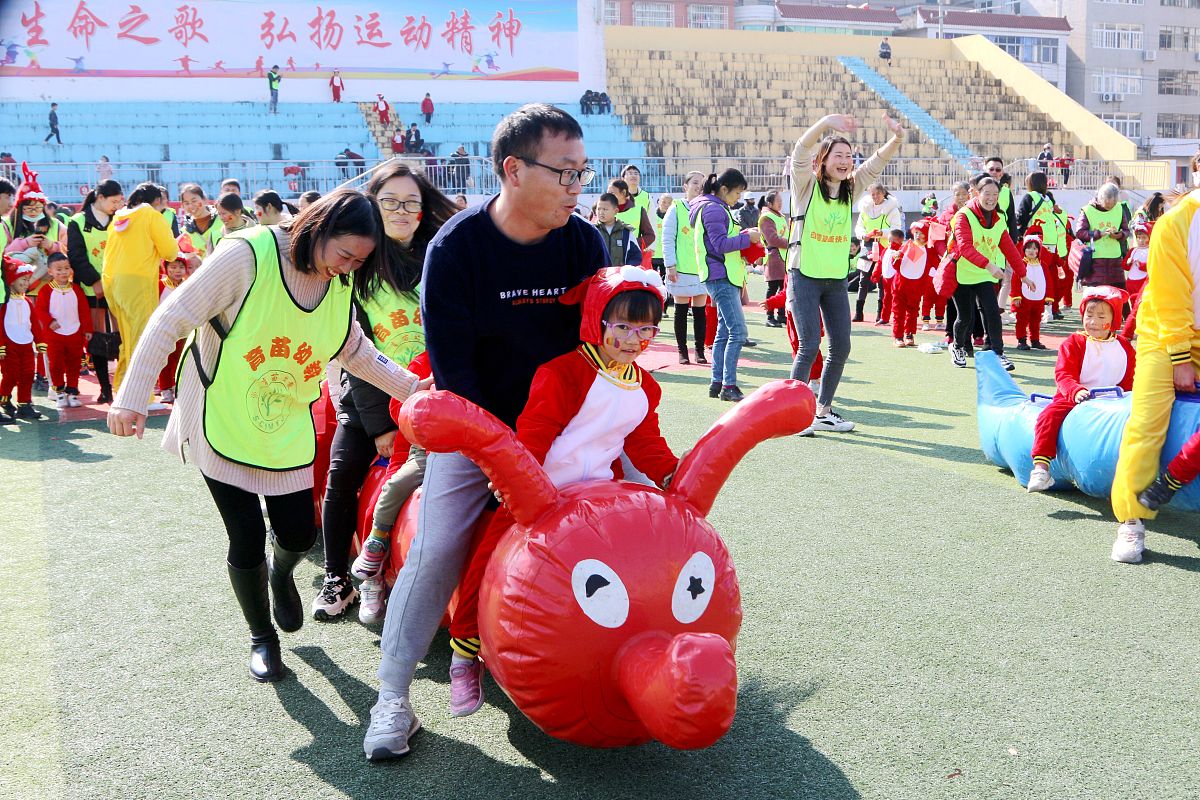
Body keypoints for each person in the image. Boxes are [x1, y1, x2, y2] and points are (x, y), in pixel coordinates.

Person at [363, 103, 607, 761]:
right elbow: (455, 374)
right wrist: (505, 461)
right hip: (477, 432)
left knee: (636, 507)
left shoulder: (583, 244)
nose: (575, 188)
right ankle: (392, 698)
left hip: (563, 430)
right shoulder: (455, 250)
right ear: (512, 170)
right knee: (438, 546)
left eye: (583, 173)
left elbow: (596, 354)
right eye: (564, 173)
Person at [107, 189, 430, 683]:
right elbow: (172, 317)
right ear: (318, 228)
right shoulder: (246, 254)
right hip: (221, 410)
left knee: (300, 532)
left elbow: (355, 351)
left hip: (283, 417)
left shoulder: (340, 282)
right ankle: (262, 638)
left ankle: (282, 575)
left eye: (359, 262)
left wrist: (414, 389)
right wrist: (132, 394)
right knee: (245, 535)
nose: (346, 268)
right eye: (344, 254)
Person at [440, 266, 679, 716]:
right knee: (485, 560)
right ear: (596, 321)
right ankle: (463, 656)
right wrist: (519, 486)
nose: (633, 339)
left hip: (600, 498)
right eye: (623, 326)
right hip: (539, 496)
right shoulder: (563, 373)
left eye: (645, 329)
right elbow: (533, 435)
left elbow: (644, 442)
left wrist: (671, 474)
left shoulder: (646, 386)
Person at [314, 163, 457, 623]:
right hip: (371, 399)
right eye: (389, 201)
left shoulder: (443, 252)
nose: (401, 211)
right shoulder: (356, 265)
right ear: (372, 204)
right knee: (341, 476)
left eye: (411, 202)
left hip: (441, 394)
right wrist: (380, 426)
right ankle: (338, 577)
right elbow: (353, 351)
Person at [787, 113, 905, 433]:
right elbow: (800, 150)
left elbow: (876, 164)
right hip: (804, 275)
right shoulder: (805, 185)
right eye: (838, 155)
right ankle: (793, 414)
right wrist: (826, 122)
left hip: (836, 281)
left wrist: (896, 138)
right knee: (810, 344)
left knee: (841, 346)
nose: (845, 161)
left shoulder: (853, 189)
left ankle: (822, 410)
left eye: (849, 156)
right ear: (823, 160)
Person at [1109, 154, 1200, 563]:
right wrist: (1182, 358)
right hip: (1166, 336)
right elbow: (1169, 298)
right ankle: (1131, 520)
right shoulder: (1177, 222)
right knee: (1147, 421)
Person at [1027, 287, 1133, 493]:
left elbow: (1130, 378)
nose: (1093, 321)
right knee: (1049, 415)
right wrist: (1075, 391)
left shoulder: (1123, 346)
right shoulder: (1074, 342)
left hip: (1114, 400)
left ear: (1115, 319)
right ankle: (1041, 467)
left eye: (1101, 316)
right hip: (1076, 397)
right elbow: (1064, 374)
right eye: (1088, 315)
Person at [101, 183, 182, 391]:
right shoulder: (151, 216)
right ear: (157, 201)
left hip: (114, 283)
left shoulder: (119, 218)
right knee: (142, 339)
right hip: (138, 282)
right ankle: (140, 396)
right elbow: (170, 252)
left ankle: (121, 389)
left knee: (127, 341)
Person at [946, 176, 1031, 372]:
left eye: (995, 194)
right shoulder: (963, 216)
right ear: (976, 193)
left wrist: (1023, 274)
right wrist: (990, 266)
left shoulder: (998, 219)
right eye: (987, 194)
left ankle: (997, 352)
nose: (991, 198)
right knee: (965, 317)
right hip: (963, 273)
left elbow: (1009, 248)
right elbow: (965, 247)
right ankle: (957, 346)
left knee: (993, 313)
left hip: (984, 274)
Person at [691, 169, 757, 402]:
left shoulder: (711, 207)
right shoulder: (714, 209)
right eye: (737, 193)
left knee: (724, 333)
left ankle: (717, 382)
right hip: (722, 276)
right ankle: (728, 385)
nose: (738, 198)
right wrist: (748, 238)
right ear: (724, 189)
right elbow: (720, 244)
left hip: (720, 276)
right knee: (738, 332)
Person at [67, 179, 123, 402]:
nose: (117, 206)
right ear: (100, 198)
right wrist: (94, 281)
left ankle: (123, 386)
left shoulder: (120, 219)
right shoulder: (77, 222)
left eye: (120, 201)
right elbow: (77, 256)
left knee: (122, 337)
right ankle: (104, 388)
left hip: (118, 286)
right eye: (114, 201)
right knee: (97, 339)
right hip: (92, 290)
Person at [663, 171, 709, 365]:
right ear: (685, 186)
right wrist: (670, 265)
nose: (698, 186)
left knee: (700, 312)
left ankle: (699, 351)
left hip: (701, 269)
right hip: (681, 269)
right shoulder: (676, 208)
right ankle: (682, 352)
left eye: (702, 183)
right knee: (681, 310)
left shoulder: (706, 207)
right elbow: (667, 238)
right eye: (695, 182)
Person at [35, 253, 91, 409]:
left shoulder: (77, 290)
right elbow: (39, 310)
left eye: (66, 268)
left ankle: (72, 392)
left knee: (74, 363)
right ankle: (59, 392)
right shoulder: (45, 291)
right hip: (54, 335)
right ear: (50, 271)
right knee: (56, 365)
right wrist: (49, 321)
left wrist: (87, 329)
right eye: (58, 269)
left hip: (75, 333)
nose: (63, 272)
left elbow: (84, 311)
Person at [0, 261, 45, 421]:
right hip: (9, 345)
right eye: (23, 279)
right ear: (12, 280)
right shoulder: (4, 303)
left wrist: (40, 341)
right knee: (10, 374)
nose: (26, 283)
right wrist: (1, 345)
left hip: (26, 344)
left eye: (28, 280)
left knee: (27, 375)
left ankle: (24, 405)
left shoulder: (26, 301)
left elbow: (34, 323)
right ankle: (3, 398)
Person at [853, 182, 903, 324]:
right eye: (872, 194)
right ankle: (858, 313)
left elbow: (897, 229)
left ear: (883, 193)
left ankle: (880, 314)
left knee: (882, 283)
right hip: (868, 249)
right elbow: (859, 227)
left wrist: (882, 233)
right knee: (863, 281)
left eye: (878, 193)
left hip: (885, 250)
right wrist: (864, 235)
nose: (875, 197)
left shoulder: (892, 210)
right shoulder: (865, 209)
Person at [1075, 183, 1131, 289]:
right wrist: (1098, 234)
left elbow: (1126, 230)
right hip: (1095, 261)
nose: (1110, 208)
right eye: (1107, 204)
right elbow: (1080, 233)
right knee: (1096, 296)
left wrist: (1120, 235)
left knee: (1119, 296)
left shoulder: (1119, 208)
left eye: (1113, 205)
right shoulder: (1088, 210)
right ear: (1100, 199)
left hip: (1115, 261)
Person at [889, 221, 933, 348]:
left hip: (917, 286)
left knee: (913, 312)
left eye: (921, 233)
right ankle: (898, 336)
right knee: (899, 311)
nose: (918, 236)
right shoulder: (908, 245)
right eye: (916, 233)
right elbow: (897, 266)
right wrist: (896, 257)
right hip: (901, 285)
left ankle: (909, 334)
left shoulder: (929, 250)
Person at [156, 255, 189, 403]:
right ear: (166, 269)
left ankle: (177, 385)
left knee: (179, 357)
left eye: (181, 267)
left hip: (182, 328)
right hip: (164, 327)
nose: (178, 271)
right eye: (173, 267)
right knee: (164, 359)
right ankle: (164, 388)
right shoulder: (160, 285)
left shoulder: (187, 285)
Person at [1011, 229, 1050, 350]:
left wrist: (1048, 296)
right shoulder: (1021, 264)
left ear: (1039, 250)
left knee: (1036, 320)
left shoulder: (1043, 265)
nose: (1032, 251)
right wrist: (1016, 296)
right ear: (1024, 250)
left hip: (1038, 297)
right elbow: (1015, 281)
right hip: (1024, 298)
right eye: (1029, 248)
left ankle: (1035, 340)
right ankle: (1021, 340)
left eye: (1034, 248)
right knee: (1022, 320)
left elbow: (1048, 281)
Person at [758, 190, 789, 329]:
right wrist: (791, 243)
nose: (780, 203)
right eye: (778, 201)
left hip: (783, 256)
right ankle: (770, 316)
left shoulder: (778, 215)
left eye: (781, 201)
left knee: (783, 287)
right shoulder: (766, 217)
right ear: (769, 203)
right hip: (774, 257)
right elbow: (772, 239)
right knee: (773, 287)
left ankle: (781, 315)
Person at [593, 193, 642, 267]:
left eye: (605, 209)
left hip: (619, 276)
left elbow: (636, 256)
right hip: (597, 277)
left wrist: (626, 270)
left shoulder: (626, 232)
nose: (601, 212)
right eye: (598, 209)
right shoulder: (592, 231)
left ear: (615, 211)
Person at [179, 184, 224, 261]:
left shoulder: (222, 219)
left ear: (204, 199)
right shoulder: (184, 232)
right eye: (186, 203)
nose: (191, 206)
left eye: (194, 201)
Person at [984, 157, 1018, 242]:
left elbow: (1011, 217)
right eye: (991, 169)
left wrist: (1013, 240)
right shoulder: (977, 190)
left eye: (998, 170)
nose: (994, 172)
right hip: (982, 237)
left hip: (1002, 238)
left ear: (1002, 173)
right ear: (985, 171)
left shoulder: (1006, 192)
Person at [1124, 223, 1150, 305]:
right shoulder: (1133, 250)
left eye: (1144, 238)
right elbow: (1125, 266)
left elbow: (1152, 266)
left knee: (1142, 303)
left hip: (1142, 282)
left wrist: (1141, 265)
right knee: (1133, 302)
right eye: (1139, 238)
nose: (1141, 240)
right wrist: (1128, 262)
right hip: (1131, 282)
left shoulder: (1151, 250)